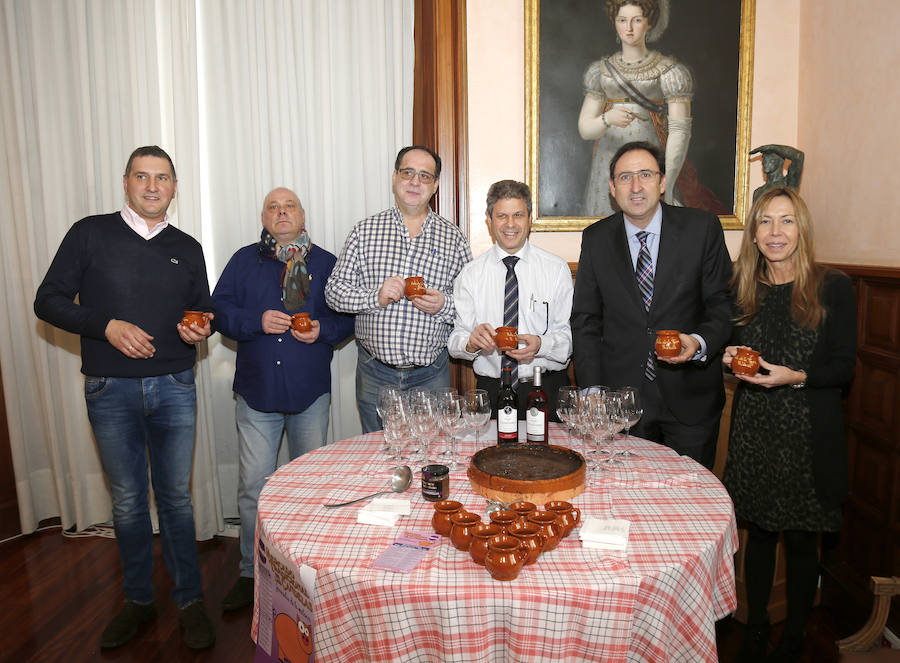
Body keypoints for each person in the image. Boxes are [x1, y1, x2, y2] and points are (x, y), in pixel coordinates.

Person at [33, 146, 216, 649]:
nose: (152, 186)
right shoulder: (89, 233)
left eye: (162, 178)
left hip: (176, 386)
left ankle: (190, 601)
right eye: (142, 176)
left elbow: (202, 310)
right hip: (109, 389)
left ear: (175, 188)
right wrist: (105, 325)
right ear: (126, 181)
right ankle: (138, 601)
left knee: (177, 500)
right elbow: (45, 301)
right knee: (130, 503)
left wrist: (196, 328)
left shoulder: (189, 246)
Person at [722, 187, 856, 663]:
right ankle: (756, 625)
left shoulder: (831, 286)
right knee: (758, 535)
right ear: (753, 234)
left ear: (802, 230)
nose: (775, 232)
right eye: (764, 222)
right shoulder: (741, 287)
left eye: (786, 221)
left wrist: (795, 376)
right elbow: (733, 353)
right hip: (755, 428)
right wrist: (728, 357)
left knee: (801, 540)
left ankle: (796, 632)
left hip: (806, 432)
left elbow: (844, 367)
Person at [211, 187, 354, 611]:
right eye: (273, 207)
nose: (281, 212)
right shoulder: (242, 260)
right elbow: (218, 311)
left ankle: (308, 572)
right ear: (264, 217)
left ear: (302, 214)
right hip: (257, 392)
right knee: (253, 488)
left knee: (311, 488)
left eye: (288, 206)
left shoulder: (327, 262)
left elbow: (347, 318)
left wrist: (321, 331)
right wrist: (255, 321)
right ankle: (249, 573)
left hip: (309, 390)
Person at [571, 141, 732, 468]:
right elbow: (586, 320)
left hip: (691, 398)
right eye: (625, 177)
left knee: (691, 501)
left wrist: (698, 342)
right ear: (613, 188)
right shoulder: (596, 238)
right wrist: (590, 389)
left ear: (662, 182)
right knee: (629, 497)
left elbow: (722, 304)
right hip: (622, 403)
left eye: (645, 174)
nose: (636, 186)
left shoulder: (702, 229)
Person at [325, 145, 472, 432]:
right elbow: (333, 291)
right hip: (374, 372)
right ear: (394, 177)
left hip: (431, 375)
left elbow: (473, 308)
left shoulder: (453, 238)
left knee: (431, 456)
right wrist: (374, 297)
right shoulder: (364, 231)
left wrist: (443, 305)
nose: (415, 182)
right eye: (407, 173)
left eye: (425, 176)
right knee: (380, 457)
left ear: (435, 185)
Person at [448, 180, 572, 418]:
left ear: (530, 218)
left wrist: (541, 345)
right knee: (493, 455)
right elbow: (455, 341)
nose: (511, 224)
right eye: (502, 216)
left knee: (549, 456)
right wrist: (471, 343)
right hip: (491, 390)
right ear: (489, 218)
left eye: (518, 215)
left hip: (545, 387)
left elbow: (568, 341)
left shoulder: (556, 269)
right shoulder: (471, 274)